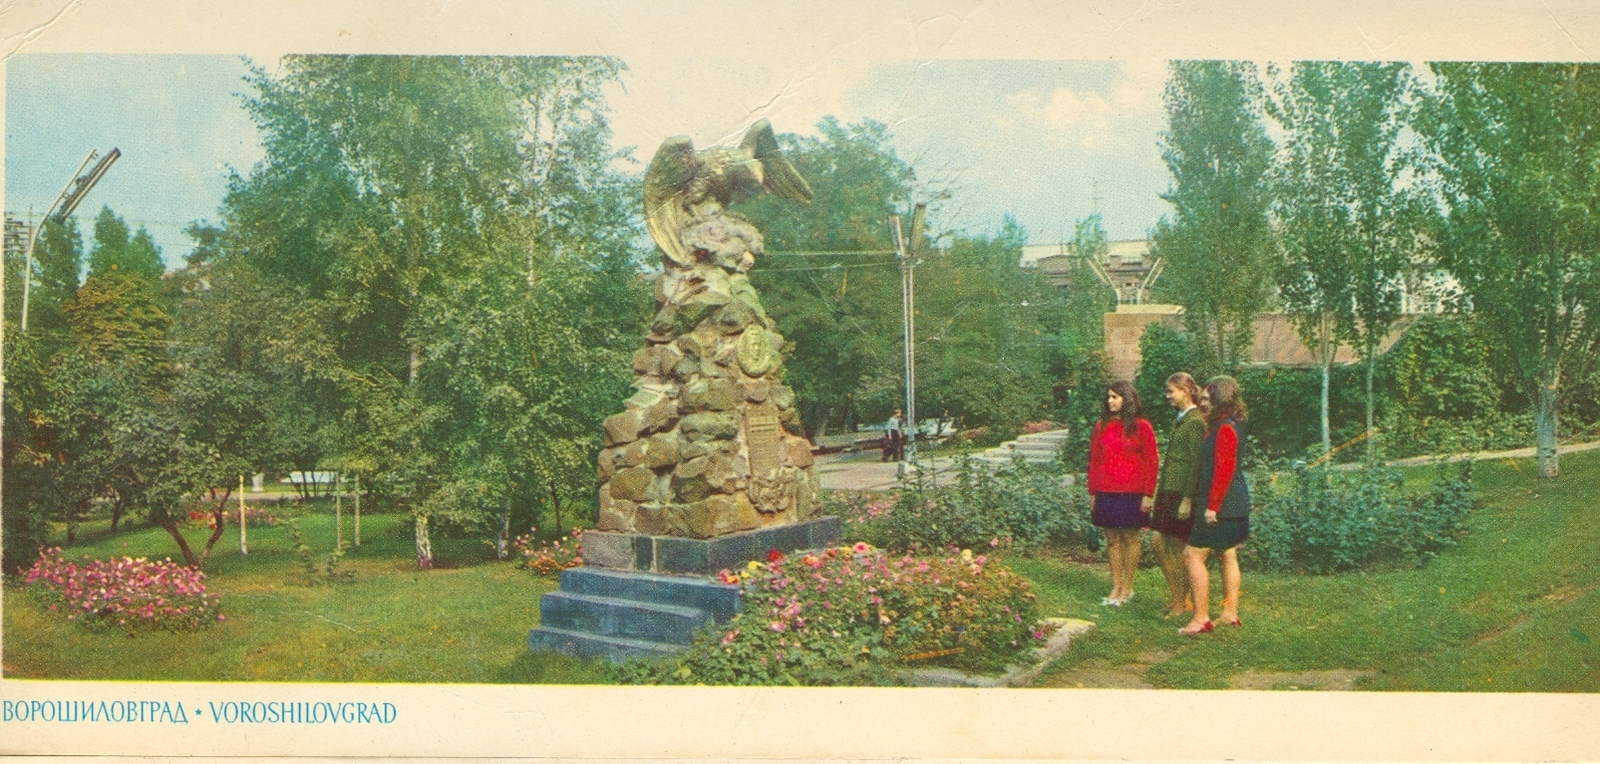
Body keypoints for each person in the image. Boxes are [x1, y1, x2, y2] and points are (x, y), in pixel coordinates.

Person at [1180, 376, 1252, 636]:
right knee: (1227, 553)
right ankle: (1230, 614)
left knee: (1193, 555)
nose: (1202, 403)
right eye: (1202, 399)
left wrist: (1212, 508)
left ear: (1222, 400)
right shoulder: (1230, 424)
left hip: (1221, 506)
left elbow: (1224, 471)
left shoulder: (1224, 429)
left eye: (1208, 400)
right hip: (1233, 505)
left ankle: (1200, 618)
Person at [1087, 380, 1158, 606]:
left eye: (1115, 397)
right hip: (1106, 489)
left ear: (1127, 399)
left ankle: (1128, 587)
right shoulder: (1101, 426)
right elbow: (1095, 460)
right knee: (1112, 539)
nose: (1110, 401)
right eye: (1108, 397)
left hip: (1133, 491)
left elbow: (1152, 461)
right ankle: (1116, 586)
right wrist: (1093, 491)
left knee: (1130, 537)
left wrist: (1148, 494)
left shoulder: (1142, 426)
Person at [1148, 372, 1205, 620]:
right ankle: (1177, 596)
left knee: (1180, 549)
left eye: (1172, 391)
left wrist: (1188, 499)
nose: (1167, 396)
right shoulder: (1181, 419)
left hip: (1181, 493)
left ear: (1186, 390)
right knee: (1158, 543)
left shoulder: (1195, 421)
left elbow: (1196, 463)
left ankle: (1184, 602)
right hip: (1168, 491)